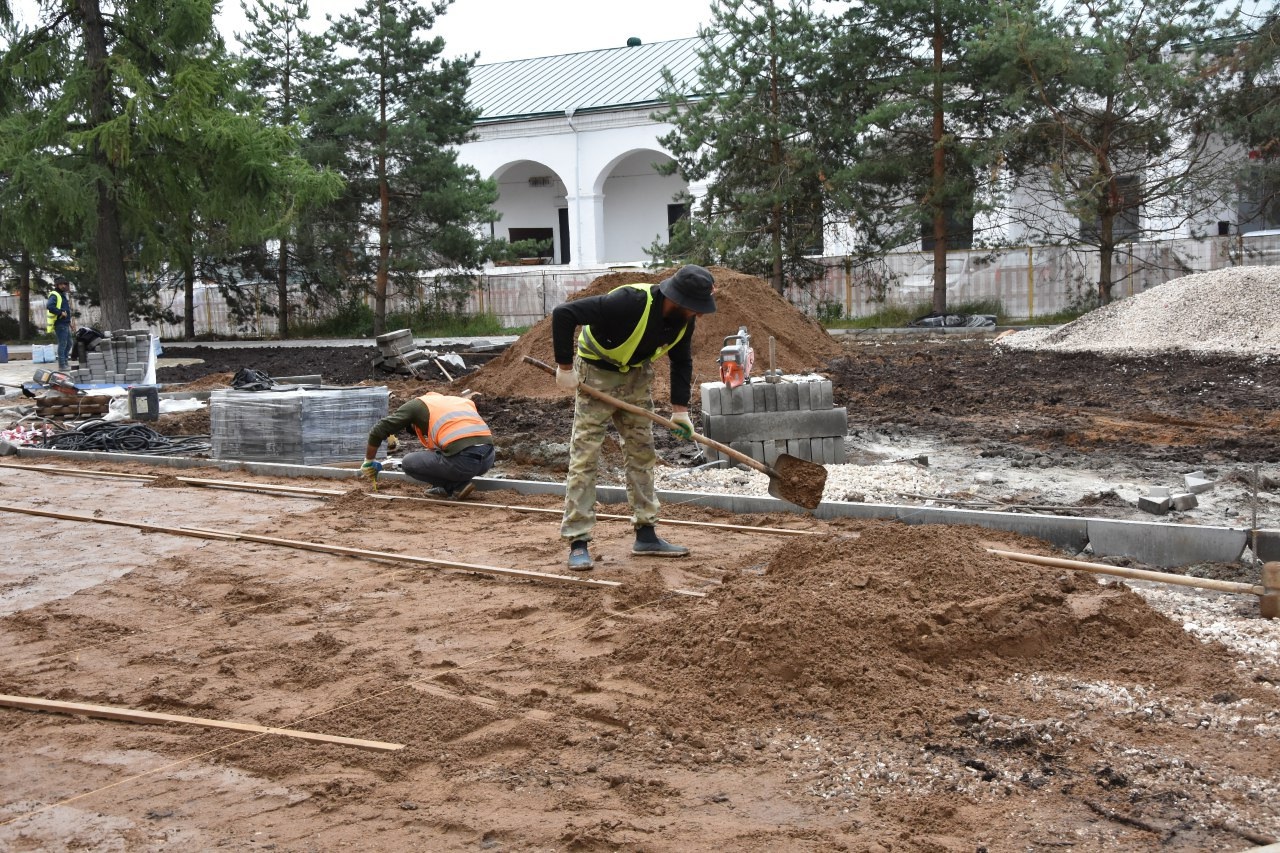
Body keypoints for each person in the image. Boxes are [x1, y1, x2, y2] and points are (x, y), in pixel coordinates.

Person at [551, 263, 717, 571]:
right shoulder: (627, 302)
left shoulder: (683, 321)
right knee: (585, 458)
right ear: (679, 301)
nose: (700, 314)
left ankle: (646, 534)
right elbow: (564, 314)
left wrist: (680, 411)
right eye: (696, 308)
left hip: (636, 378)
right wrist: (564, 366)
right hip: (595, 375)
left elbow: (682, 361)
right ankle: (578, 541)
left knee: (642, 454)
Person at [362, 391, 495, 500]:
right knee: (443, 456)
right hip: (488, 458)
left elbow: (378, 430)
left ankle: (456, 485)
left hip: (463, 462)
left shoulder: (415, 406)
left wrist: (369, 461)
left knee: (408, 462)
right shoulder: (454, 401)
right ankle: (449, 486)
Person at [46, 276, 76, 371]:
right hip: (60, 324)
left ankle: (65, 362)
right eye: (62, 284)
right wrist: (60, 312)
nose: (64, 286)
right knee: (63, 344)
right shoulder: (55, 295)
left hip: (65, 323)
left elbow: (66, 310)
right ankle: (62, 365)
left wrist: (69, 322)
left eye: (65, 284)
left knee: (69, 343)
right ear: (57, 285)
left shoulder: (62, 295)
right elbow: (50, 306)